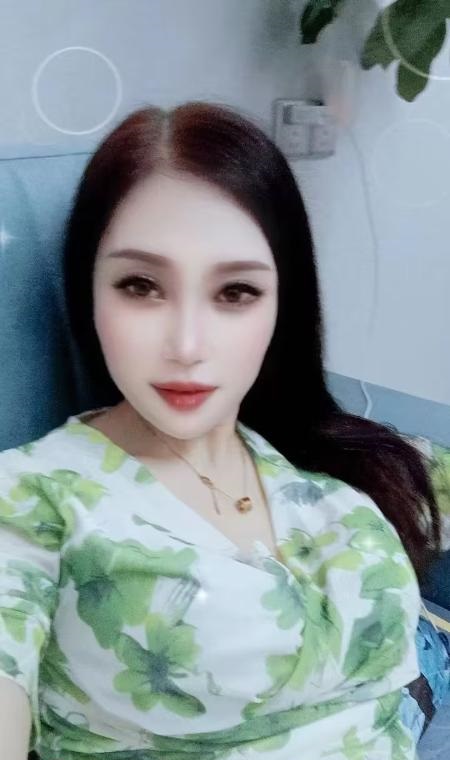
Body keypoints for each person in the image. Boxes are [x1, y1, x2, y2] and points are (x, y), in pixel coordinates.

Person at [0, 101, 443, 760]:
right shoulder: (34, 500)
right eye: (141, 285)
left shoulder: (315, 461)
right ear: (88, 290)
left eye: (235, 293)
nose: (187, 346)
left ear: (281, 304)